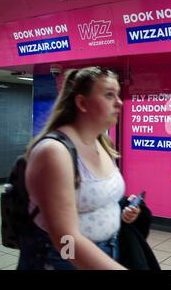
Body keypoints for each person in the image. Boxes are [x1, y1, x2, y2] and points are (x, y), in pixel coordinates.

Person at [17, 66, 140, 270]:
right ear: (82, 102)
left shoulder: (102, 141)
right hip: (62, 260)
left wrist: (123, 210)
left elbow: (95, 197)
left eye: (118, 95)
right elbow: (64, 239)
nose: (119, 103)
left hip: (105, 251)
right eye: (109, 95)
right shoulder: (54, 152)